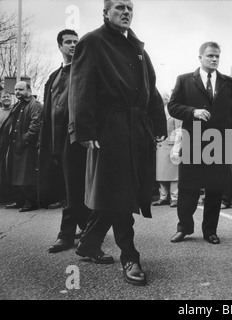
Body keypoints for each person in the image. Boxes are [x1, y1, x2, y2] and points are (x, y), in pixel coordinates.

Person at [68, 0, 166, 286]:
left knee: (117, 191)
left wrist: (158, 123)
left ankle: (88, 243)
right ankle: (130, 257)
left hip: (137, 129)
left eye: (130, 8)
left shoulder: (137, 46)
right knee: (121, 194)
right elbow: (80, 86)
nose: (126, 12)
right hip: (109, 130)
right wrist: (83, 130)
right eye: (120, 7)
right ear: (106, 12)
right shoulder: (92, 42)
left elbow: (152, 86)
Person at [168, 41, 232, 245]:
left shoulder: (229, 82)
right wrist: (192, 112)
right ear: (200, 57)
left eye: (217, 56)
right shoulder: (184, 80)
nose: (214, 59)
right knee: (188, 188)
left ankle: (210, 231)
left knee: (214, 189)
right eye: (210, 55)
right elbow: (173, 106)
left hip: (219, 143)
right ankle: (184, 227)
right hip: (193, 142)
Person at [37, 29, 91, 253]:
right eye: (68, 42)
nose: (73, 45)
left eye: (76, 42)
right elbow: (48, 111)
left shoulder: (85, 72)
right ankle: (88, 227)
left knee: (73, 188)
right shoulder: (53, 76)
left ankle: (66, 235)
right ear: (59, 46)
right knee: (66, 186)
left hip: (76, 140)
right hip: (54, 140)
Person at [0, 82, 42, 212]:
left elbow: (36, 124)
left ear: (28, 90)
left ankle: (31, 203)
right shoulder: (19, 104)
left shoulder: (34, 104)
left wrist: (25, 139)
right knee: (16, 174)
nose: (17, 92)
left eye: (21, 89)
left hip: (27, 146)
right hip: (16, 145)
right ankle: (19, 201)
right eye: (16, 89)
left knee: (26, 175)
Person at [152, 90, 182, 208]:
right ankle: (163, 197)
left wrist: (176, 146)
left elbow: (179, 130)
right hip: (160, 146)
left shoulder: (174, 112)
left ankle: (174, 198)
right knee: (161, 174)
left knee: (174, 175)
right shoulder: (156, 112)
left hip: (171, 146)